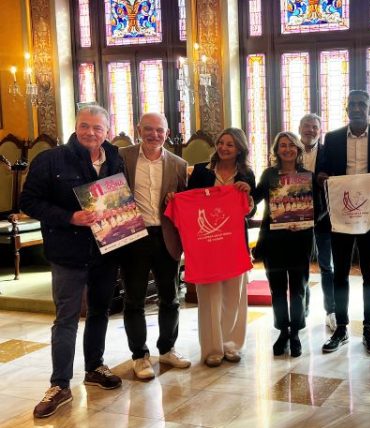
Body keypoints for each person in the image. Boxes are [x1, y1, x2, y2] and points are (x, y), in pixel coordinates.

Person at [21, 106, 124, 418]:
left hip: (106, 248)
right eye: (85, 126)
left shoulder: (115, 157)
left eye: (97, 127)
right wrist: (69, 217)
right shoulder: (51, 159)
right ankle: (60, 385)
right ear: (76, 126)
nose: (90, 132)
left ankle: (94, 367)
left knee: (100, 311)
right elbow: (28, 201)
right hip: (67, 251)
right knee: (66, 318)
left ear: (107, 131)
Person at [317, 90, 370, 354]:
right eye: (351, 104)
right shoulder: (332, 138)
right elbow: (323, 169)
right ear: (346, 109)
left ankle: (369, 329)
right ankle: (341, 329)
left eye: (361, 104)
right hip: (341, 215)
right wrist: (322, 177)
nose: (356, 108)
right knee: (340, 272)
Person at [119, 113, 191, 379]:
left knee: (170, 297)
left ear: (167, 133)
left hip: (166, 236)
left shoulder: (179, 164)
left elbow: (185, 202)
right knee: (134, 299)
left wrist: (176, 198)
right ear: (138, 129)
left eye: (159, 130)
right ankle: (140, 356)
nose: (154, 134)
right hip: (133, 236)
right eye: (148, 129)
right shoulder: (122, 157)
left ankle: (168, 349)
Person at [187, 127, 256, 366]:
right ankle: (212, 349)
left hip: (234, 243)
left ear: (239, 149)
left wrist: (248, 197)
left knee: (233, 296)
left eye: (230, 144)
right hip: (206, 243)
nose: (224, 148)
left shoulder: (246, 174)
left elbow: (250, 211)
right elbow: (189, 202)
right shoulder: (200, 171)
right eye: (221, 142)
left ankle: (231, 345)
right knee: (209, 296)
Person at [253, 132, 314, 357]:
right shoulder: (269, 174)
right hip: (273, 241)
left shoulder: (308, 176)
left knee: (298, 289)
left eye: (291, 145)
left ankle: (295, 332)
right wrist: (243, 190)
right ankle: (283, 331)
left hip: (300, 240)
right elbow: (255, 199)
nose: (287, 149)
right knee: (277, 289)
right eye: (282, 145)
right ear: (277, 150)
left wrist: (306, 222)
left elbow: (320, 208)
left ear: (298, 149)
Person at [299, 113, 335, 331]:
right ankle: (302, 310)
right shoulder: (290, 151)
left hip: (324, 216)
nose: (310, 130)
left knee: (326, 265)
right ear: (299, 128)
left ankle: (331, 311)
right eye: (306, 126)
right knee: (300, 264)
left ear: (320, 131)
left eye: (314, 127)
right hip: (296, 216)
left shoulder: (328, 153)